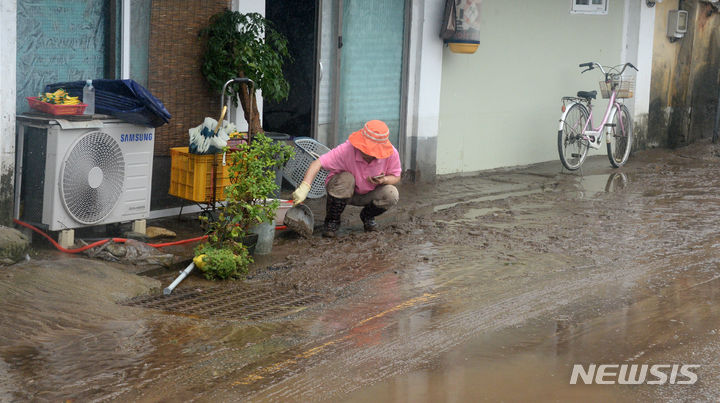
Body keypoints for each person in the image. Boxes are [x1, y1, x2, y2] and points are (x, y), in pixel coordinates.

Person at [292, 120, 401, 238]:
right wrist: (304, 187)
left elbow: (396, 176)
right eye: (363, 147)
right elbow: (317, 163)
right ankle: (332, 221)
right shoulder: (347, 149)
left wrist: (383, 180)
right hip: (342, 191)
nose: (365, 151)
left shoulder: (391, 154)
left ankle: (367, 216)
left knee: (392, 193)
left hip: (369, 194)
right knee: (347, 178)